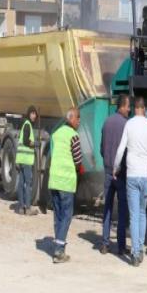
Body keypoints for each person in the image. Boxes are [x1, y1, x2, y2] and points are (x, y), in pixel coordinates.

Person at [114, 98, 147, 267]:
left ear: (135, 108)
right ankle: (140, 247)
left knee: (134, 215)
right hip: (145, 177)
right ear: (144, 108)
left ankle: (135, 253)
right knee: (142, 213)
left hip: (132, 176)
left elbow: (121, 148)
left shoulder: (129, 125)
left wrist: (115, 167)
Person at [47, 107, 84, 264]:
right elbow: (77, 160)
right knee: (67, 215)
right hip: (66, 182)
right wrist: (80, 169)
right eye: (78, 118)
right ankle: (59, 251)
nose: (79, 121)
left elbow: (52, 155)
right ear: (71, 119)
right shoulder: (73, 136)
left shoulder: (55, 134)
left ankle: (58, 244)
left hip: (54, 180)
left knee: (58, 215)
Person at [99, 94, 130, 255]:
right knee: (122, 209)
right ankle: (121, 246)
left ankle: (104, 244)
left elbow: (102, 149)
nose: (129, 109)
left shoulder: (107, 122)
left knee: (108, 208)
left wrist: (108, 164)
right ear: (122, 107)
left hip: (107, 171)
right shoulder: (126, 125)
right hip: (121, 173)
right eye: (128, 106)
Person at [15, 106, 39, 216]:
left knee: (21, 183)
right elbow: (25, 141)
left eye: (35, 114)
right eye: (32, 113)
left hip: (21, 159)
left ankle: (21, 207)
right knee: (28, 184)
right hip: (26, 160)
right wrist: (35, 144)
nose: (34, 116)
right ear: (29, 114)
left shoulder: (24, 124)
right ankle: (28, 208)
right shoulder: (28, 125)